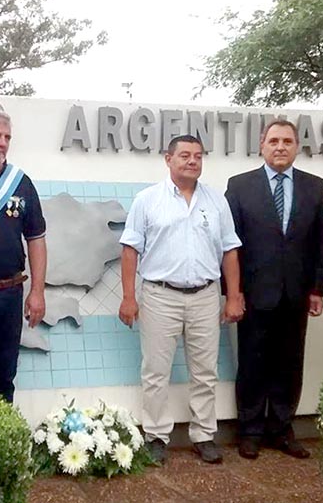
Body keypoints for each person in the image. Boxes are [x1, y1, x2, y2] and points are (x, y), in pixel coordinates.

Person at [119, 134, 244, 465]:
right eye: (185, 155)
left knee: (205, 371)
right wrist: (129, 297)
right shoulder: (147, 200)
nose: (193, 161)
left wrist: (233, 296)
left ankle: (204, 435)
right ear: (168, 159)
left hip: (205, 296)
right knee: (155, 371)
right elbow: (130, 249)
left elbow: (230, 251)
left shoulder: (217, 201)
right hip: (160, 295)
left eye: (198, 156)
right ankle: (156, 437)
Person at [225, 120, 323, 461]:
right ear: (262, 145)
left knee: (289, 363)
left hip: (296, 293)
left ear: (297, 146)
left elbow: (321, 241)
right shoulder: (240, 187)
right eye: (274, 141)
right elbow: (231, 245)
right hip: (255, 293)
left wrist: (318, 289)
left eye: (287, 141)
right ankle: (250, 431)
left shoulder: (315, 187)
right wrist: (234, 292)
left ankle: (282, 429)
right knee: (253, 362)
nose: (281, 146)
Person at [0, 108, 46, 403]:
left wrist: (37, 292)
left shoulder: (20, 182)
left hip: (10, 292)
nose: (1, 143)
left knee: (3, 377)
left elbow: (36, 239)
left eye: (7, 137)